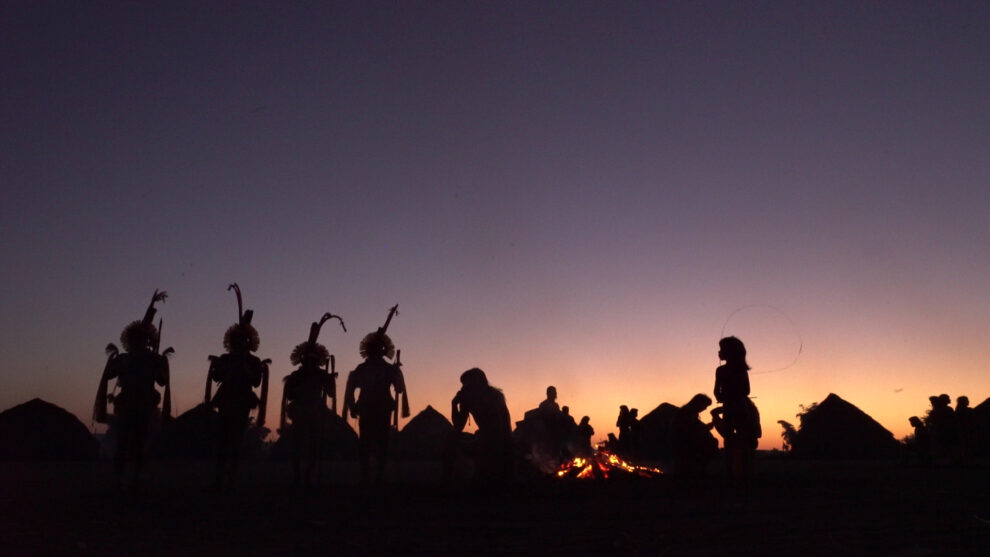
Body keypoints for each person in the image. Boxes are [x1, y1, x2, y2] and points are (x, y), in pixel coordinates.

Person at [94, 290, 170, 492]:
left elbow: (162, 381)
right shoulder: (127, 359)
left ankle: (135, 479)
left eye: (142, 339)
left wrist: (161, 365)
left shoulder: (151, 359)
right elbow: (109, 374)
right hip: (128, 405)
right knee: (124, 442)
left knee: (138, 442)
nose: (140, 342)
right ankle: (120, 479)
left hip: (143, 406)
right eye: (138, 339)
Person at [205, 284, 269, 491]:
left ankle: (232, 478)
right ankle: (219, 478)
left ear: (248, 342)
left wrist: (245, 368)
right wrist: (219, 367)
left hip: (241, 403)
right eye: (238, 340)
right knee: (222, 442)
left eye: (244, 340)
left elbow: (256, 382)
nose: (241, 343)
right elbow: (217, 376)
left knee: (236, 442)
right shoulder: (226, 358)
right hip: (226, 401)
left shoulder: (253, 361)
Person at [281, 313, 343, 488]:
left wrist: (330, 381)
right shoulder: (297, 376)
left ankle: (306, 478)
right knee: (299, 446)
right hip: (302, 413)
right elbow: (289, 394)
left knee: (313, 446)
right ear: (304, 360)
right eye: (308, 360)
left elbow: (331, 393)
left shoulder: (320, 375)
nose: (310, 363)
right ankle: (298, 478)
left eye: (313, 360)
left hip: (315, 413)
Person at [343, 321, 408, 485]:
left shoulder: (388, 369)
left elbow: (399, 389)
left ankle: (378, 477)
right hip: (368, 409)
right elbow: (350, 389)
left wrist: (397, 374)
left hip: (382, 409)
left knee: (381, 444)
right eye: (374, 350)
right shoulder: (363, 369)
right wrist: (352, 406)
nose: (376, 352)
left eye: (378, 349)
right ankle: (367, 477)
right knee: (366, 443)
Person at [444, 368, 513, 484]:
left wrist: (475, 442)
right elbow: (458, 426)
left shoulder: (494, 397)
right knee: (451, 439)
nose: (463, 388)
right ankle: (448, 484)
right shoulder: (468, 398)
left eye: (466, 384)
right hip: (485, 439)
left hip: (500, 442)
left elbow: (498, 430)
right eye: (463, 384)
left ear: (477, 383)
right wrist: (454, 404)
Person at [712, 336, 760, 485]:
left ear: (730, 352)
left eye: (721, 349)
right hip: (739, 407)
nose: (719, 352)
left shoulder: (723, 370)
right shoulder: (735, 370)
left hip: (735, 408)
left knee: (733, 440)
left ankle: (735, 474)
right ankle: (741, 474)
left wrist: (725, 397)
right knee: (739, 440)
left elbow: (718, 392)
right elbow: (746, 390)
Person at [671, 394, 718, 479]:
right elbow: (687, 431)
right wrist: (705, 428)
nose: (705, 408)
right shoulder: (685, 414)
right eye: (705, 405)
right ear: (699, 403)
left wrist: (705, 428)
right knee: (712, 443)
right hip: (684, 444)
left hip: (687, 442)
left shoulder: (690, 413)